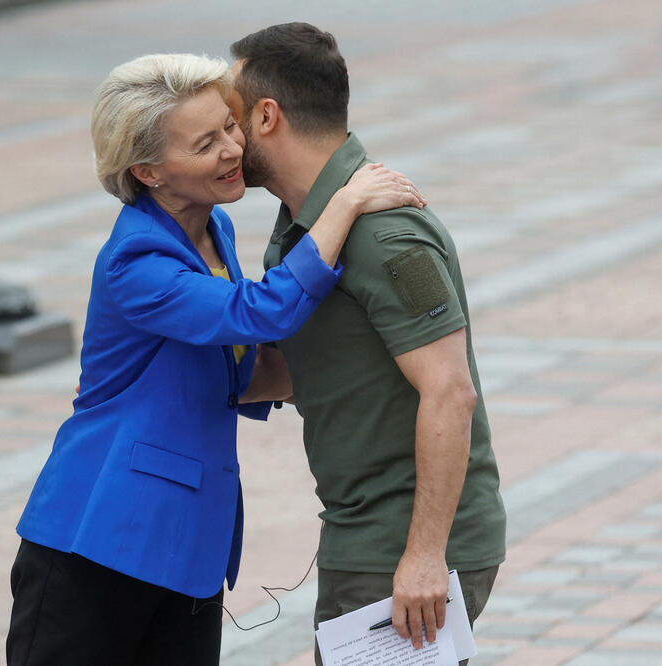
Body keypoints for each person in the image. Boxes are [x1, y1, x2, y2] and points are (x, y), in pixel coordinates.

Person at [6, 52, 425, 665]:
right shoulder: (137, 262)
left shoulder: (213, 232)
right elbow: (259, 314)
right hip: (98, 538)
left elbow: (235, 368)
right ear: (148, 171)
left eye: (230, 126)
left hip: (186, 544)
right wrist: (344, 202)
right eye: (206, 143)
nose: (234, 148)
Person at [227, 23, 507, 665]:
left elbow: (450, 390)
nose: (225, 137)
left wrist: (425, 555)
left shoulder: (385, 235)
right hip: (364, 532)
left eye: (232, 117)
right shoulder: (306, 223)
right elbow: (309, 367)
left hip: (402, 546)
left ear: (267, 116)